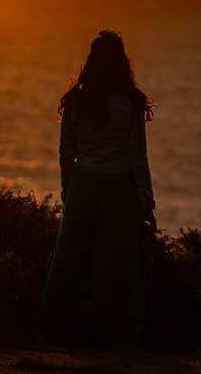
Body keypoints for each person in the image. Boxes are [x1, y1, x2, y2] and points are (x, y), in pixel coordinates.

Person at [41, 30, 156, 348]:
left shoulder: (77, 102)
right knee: (119, 262)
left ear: (90, 61)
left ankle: (56, 328)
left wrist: (68, 190)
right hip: (120, 187)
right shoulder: (131, 103)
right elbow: (137, 157)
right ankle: (119, 333)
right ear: (122, 62)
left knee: (69, 258)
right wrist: (147, 201)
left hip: (83, 183)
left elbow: (66, 153)